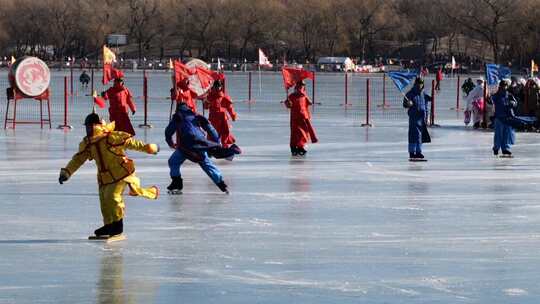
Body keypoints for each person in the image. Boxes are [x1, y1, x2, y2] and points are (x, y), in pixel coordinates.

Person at [58, 113, 160, 237]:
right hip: (104, 177)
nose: (88, 130)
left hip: (121, 173)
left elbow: (132, 143)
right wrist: (67, 172)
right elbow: (78, 159)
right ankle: (109, 225)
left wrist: (150, 148)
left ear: (98, 125)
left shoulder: (111, 137)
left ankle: (118, 226)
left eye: (90, 127)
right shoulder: (88, 144)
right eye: (87, 127)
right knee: (104, 200)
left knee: (113, 197)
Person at [165, 102, 241, 194]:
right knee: (207, 165)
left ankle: (177, 183)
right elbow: (210, 128)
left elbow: (168, 132)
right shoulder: (196, 115)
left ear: (177, 109)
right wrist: (217, 141)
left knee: (173, 161)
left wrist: (171, 143)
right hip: (200, 144)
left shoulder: (177, 117)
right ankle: (221, 184)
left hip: (186, 146)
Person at [284, 81, 318, 156]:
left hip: (303, 117)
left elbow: (309, 103)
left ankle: (300, 147)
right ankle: (295, 147)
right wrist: (287, 102)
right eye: (301, 86)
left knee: (303, 133)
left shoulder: (303, 95)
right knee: (296, 133)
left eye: (302, 86)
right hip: (296, 117)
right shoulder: (292, 96)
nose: (301, 88)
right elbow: (288, 105)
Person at [203, 80, 238, 148]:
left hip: (223, 118)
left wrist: (233, 116)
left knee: (225, 132)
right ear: (214, 87)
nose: (217, 88)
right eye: (216, 86)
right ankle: (211, 147)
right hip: (214, 119)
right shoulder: (210, 96)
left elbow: (229, 107)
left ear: (221, 87)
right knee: (213, 133)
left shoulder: (224, 96)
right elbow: (206, 107)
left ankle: (224, 146)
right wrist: (206, 102)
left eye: (219, 86)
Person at [404, 78, 432, 160]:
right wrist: (408, 104)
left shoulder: (423, 94)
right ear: (415, 84)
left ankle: (419, 152)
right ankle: (412, 152)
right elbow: (405, 104)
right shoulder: (410, 94)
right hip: (414, 117)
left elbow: (426, 106)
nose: (420, 85)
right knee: (413, 135)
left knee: (420, 135)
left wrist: (427, 117)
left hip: (421, 117)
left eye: (421, 83)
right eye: (419, 83)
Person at [491, 80, 517, 156]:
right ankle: (496, 148)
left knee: (507, 134)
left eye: (505, 86)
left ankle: (505, 149)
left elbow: (515, 103)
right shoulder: (497, 95)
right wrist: (490, 98)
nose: (504, 87)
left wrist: (513, 103)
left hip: (508, 118)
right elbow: (491, 100)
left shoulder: (509, 95)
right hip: (499, 117)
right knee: (498, 134)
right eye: (503, 85)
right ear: (500, 86)